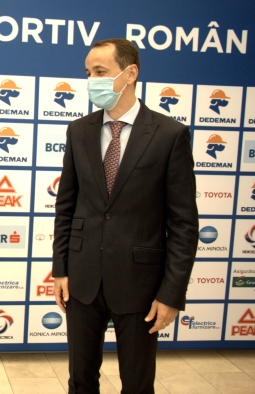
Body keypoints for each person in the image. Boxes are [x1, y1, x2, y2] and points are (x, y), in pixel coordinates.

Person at [52, 38, 198, 393]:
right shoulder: (79, 131)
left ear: (130, 74)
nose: (92, 81)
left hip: (140, 285)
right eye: (88, 73)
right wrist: (61, 269)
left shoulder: (169, 135)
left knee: (137, 384)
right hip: (83, 280)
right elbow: (66, 206)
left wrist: (171, 293)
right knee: (80, 380)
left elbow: (183, 224)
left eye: (100, 72)